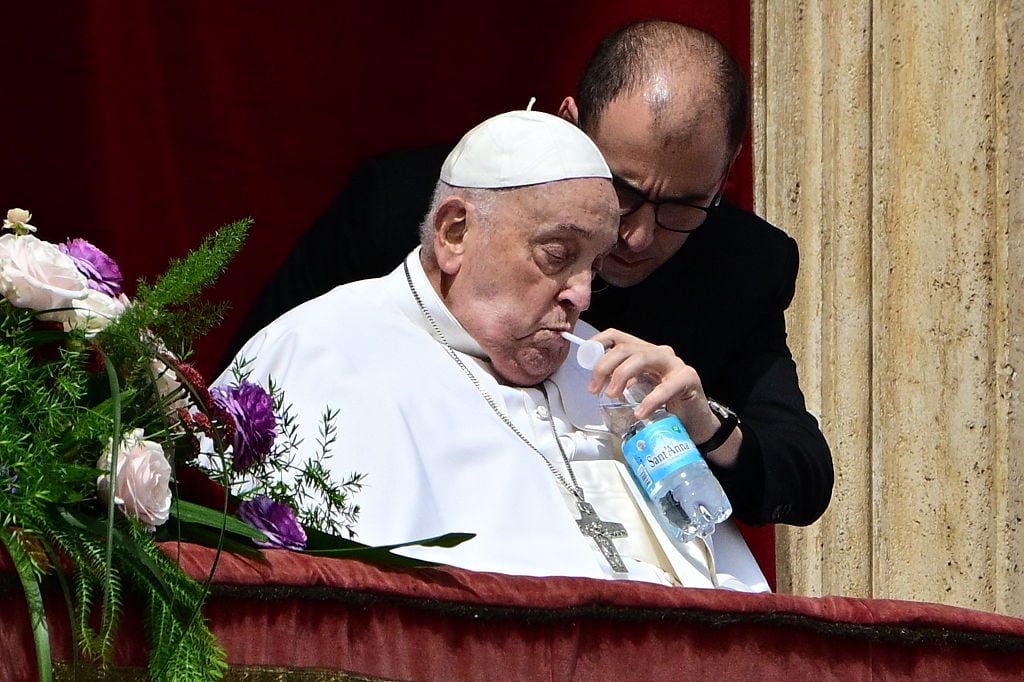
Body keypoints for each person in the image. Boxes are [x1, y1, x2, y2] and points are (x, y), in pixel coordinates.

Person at [223, 19, 833, 529]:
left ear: (724, 179)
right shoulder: (402, 207)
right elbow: (262, 387)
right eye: (621, 190)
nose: (637, 236)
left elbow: (801, 475)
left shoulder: (743, 265)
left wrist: (704, 421)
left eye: (681, 207)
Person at [219, 109, 768, 590]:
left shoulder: (610, 378)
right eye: (558, 254)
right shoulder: (321, 353)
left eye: (593, 266)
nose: (581, 293)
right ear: (455, 233)